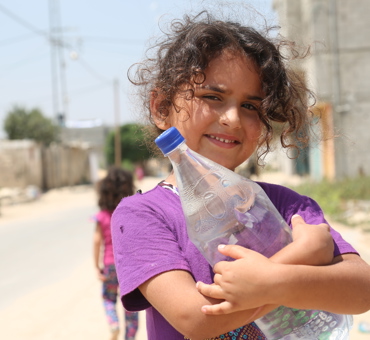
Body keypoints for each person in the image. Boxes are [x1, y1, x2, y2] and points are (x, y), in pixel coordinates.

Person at [111, 8, 370, 340]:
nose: (232, 117)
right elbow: (197, 319)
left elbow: (361, 288)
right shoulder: (142, 216)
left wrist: (271, 281)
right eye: (212, 97)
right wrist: (300, 258)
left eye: (250, 106)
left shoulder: (285, 204)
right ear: (162, 108)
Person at [94, 166, 139, 340]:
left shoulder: (102, 216)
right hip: (129, 266)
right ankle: (130, 337)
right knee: (131, 305)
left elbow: (97, 241)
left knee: (108, 298)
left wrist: (96, 266)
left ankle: (113, 324)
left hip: (109, 265)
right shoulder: (131, 213)